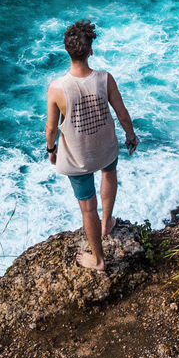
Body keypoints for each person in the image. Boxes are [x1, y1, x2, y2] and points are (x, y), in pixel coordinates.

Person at [45, 19, 138, 271]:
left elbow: (51, 128)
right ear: (90, 51)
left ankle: (97, 260)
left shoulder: (57, 88)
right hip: (106, 148)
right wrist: (131, 136)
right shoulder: (105, 79)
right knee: (109, 175)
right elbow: (122, 112)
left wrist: (52, 150)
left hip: (78, 158)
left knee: (88, 208)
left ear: (67, 51)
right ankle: (107, 222)